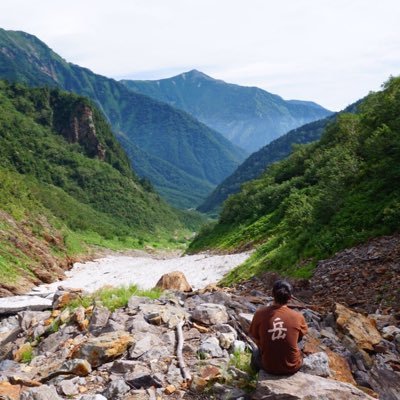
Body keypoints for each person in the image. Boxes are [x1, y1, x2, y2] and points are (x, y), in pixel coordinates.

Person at [248, 280, 308, 375]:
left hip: (268, 367)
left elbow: (254, 336)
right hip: (292, 367)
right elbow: (302, 335)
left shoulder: (259, 314)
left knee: (256, 352)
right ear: (290, 297)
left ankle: (253, 374)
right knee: (300, 339)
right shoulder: (298, 316)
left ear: (273, 295)